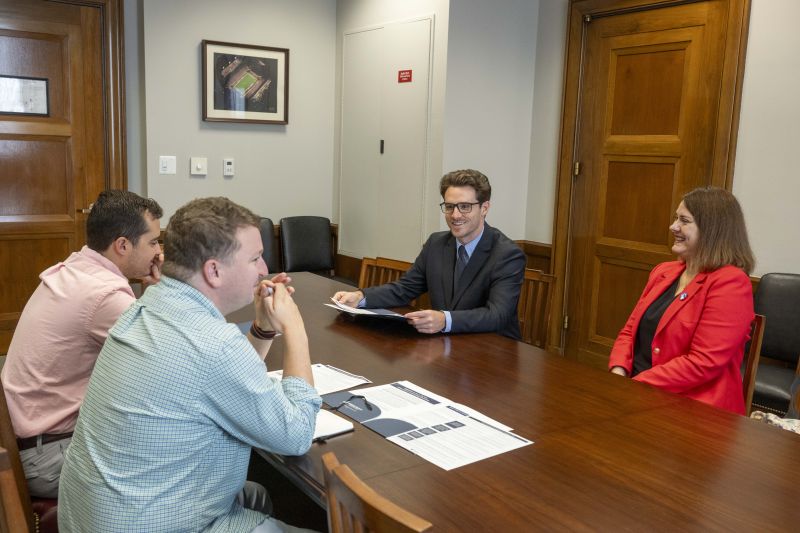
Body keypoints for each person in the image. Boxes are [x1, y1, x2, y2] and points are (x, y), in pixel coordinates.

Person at [58, 197, 320, 533]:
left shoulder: (145, 308)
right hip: (150, 522)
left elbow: (222, 382)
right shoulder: (213, 344)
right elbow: (296, 434)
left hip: (94, 515)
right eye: (255, 258)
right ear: (214, 271)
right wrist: (295, 328)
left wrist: (263, 330)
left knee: (257, 494)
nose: (264, 269)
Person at [1, 190, 163, 498]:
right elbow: (169, 360)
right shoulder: (105, 296)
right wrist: (162, 290)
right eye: (153, 242)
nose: (159, 253)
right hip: (49, 457)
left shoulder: (75, 269)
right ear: (123, 245)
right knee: (176, 459)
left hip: (28, 441)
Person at [608, 187, 755, 414]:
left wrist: (635, 386)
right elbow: (629, 332)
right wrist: (619, 373)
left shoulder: (731, 283)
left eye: (684, 220)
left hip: (694, 412)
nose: (673, 227)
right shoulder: (663, 272)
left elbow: (702, 362)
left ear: (711, 231)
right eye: (676, 218)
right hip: (639, 395)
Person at [333, 169, 526, 339]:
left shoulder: (507, 254)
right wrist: (361, 297)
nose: (455, 215)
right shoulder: (437, 243)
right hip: (447, 344)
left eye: (465, 207)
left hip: (493, 352)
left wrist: (445, 320)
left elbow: (497, 315)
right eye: (449, 206)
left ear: (484, 208)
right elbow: (405, 288)